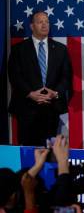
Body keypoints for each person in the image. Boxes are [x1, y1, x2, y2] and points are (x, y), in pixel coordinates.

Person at [8, 11, 73, 146]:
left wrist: (55, 93)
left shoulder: (61, 49)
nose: (45, 25)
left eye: (47, 22)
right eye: (40, 22)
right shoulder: (18, 49)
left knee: (49, 151)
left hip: (51, 108)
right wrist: (30, 93)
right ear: (32, 26)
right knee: (27, 151)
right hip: (27, 108)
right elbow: (15, 76)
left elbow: (66, 76)